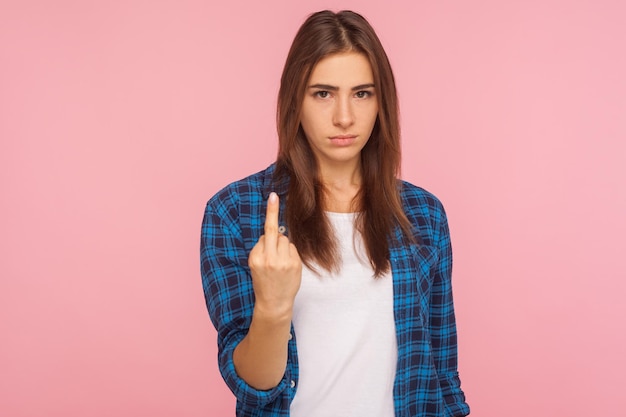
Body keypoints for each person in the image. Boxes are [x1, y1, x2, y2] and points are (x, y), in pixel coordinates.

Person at [200, 10, 470, 417]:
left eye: (362, 93)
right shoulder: (235, 212)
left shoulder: (424, 214)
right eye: (323, 93)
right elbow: (254, 388)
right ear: (295, 99)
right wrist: (273, 307)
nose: (345, 116)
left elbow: (444, 378)